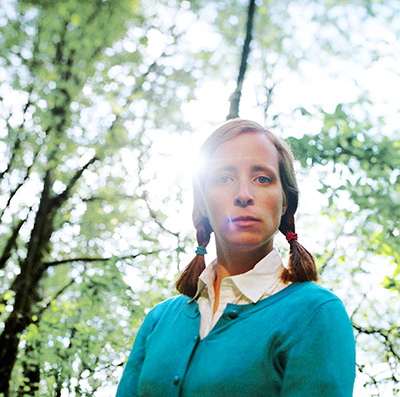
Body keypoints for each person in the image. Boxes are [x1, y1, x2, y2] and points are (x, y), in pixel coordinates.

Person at [116, 119, 356, 396]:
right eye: (223, 178)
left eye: (262, 178)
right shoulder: (158, 320)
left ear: (285, 201)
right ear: (203, 203)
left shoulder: (316, 313)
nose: (244, 195)